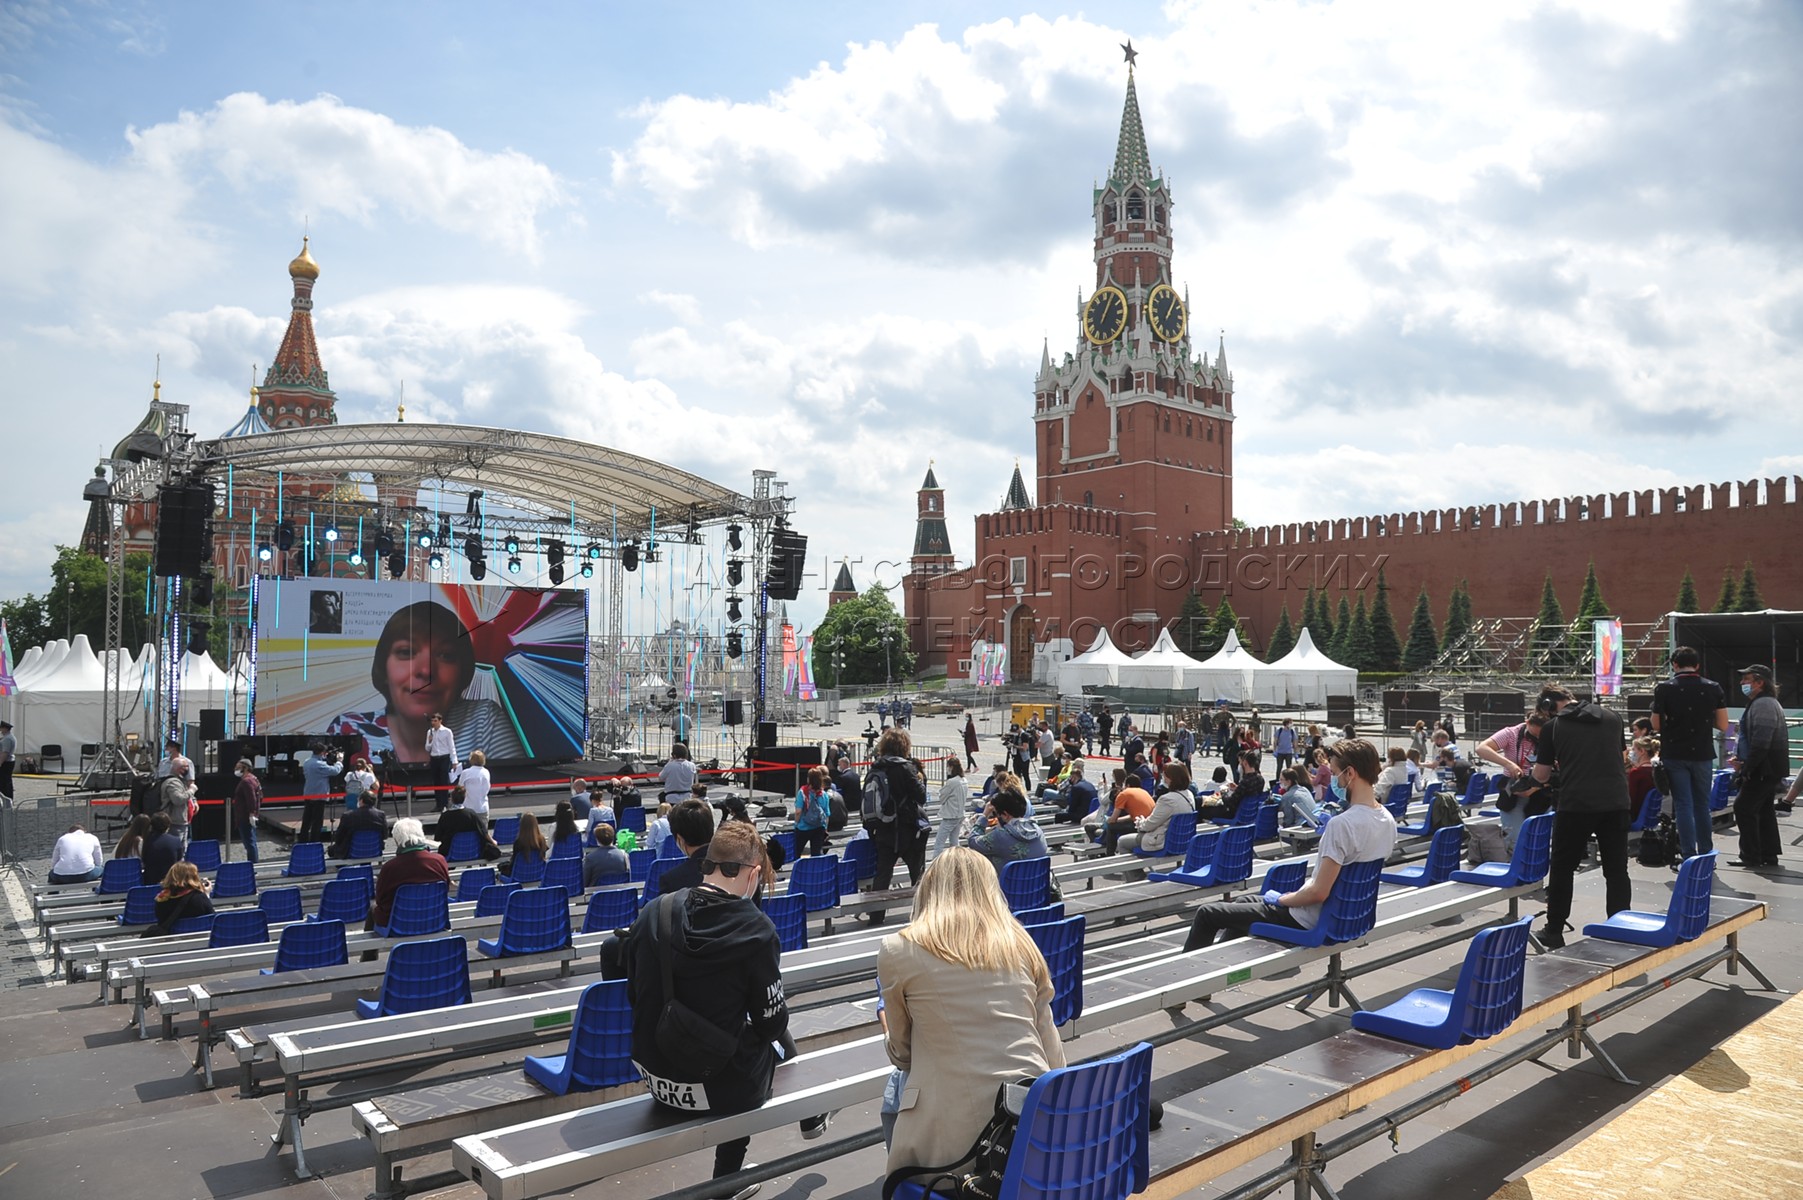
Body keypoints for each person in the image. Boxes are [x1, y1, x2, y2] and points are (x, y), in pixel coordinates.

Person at [624, 820, 821, 1198]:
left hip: (656, 1079)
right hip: (721, 1091)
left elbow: (635, 993)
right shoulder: (757, 930)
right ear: (754, 874)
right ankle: (726, 1180)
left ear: (707, 863)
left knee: (734, 1035)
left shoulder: (654, 911)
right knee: (755, 1041)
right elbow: (771, 1024)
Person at [878, 847, 1064, 1177]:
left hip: (958, 1154)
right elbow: (1053, 1057)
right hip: (1033, 1133)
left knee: (896, 1088)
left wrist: (888, 1028)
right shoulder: (1022, 944)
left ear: (929, 889)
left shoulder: (898, 949)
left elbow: (903, 1056)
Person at [1184, 739, 1397, 950]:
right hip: (1348, 916)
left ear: (1349, 773)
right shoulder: (1387, 819)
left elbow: (1318, 893)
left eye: (1334, 773)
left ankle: (1191, 970)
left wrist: (1283, 899)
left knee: (1207, 913)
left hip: (1308, 919)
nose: (1334, 780)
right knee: (1242, 904)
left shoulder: (1342, 825)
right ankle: (1227, 962)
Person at [327, 600, 524, 769]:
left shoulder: (483, 720)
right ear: (383, 667)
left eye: (445, 655)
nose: (426, 671)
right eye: (406, 652)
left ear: (462, 671)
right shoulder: (349, 728)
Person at [1531, 685, 1632, 948]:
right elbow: (1621, 756)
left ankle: (1554, 930)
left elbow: (1541, 775)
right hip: (1616, 801)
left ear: (1549, 705)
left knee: (1563, 868)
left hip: (1577, 804)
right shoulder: (1612, 717)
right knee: (1617, 869)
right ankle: (1621, 925)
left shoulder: (1553, 727)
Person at [1649, 646, 1728, 862]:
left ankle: (1688, 855)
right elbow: (1723, 724)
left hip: (1674, 753)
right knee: (1702, 805)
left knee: (1683, 805)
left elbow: (1656, 724)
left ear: (1674, 665)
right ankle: (1706, 854)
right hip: (1702, 753)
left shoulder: (1664, 688)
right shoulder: (1713, 688)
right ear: (1697, 665)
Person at [863, 729, 930, 923]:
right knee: (917, 873)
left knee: (883, 874)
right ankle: (922, 915)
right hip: (908, 829)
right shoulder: (905, 768)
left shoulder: (875, 768)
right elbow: (921, 797)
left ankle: (876, 917)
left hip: (884, 829)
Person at [1729, 664, 1789, 869]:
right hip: (1767, 768)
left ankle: (1751, 855)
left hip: (1764, 768)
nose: (1741, 683)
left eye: (1746, 680)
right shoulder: (1764, 703)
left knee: (1743, 807)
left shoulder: (1763, 705)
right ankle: (1768, 854)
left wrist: (1747, 768)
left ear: (1759, 682)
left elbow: (1762, 742)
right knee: (1763, 810)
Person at [1475, 712, 1548, 850]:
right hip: (1513, 793)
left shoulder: (1552, 735)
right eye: (1534, 734)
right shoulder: (1511, 733)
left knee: (1537, 841)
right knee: (1515, 839)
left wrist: (1534, 788)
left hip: (1540, 792)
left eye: (1541, 735)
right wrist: (1509, 764)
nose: (1538, 738)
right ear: (1527, 723)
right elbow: (1481, 749)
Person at [371, 818, 451, 930]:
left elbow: (380, 899)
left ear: (397, 841)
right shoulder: (439, 861)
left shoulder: (390, 867)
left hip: (399, 924)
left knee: (373, 908)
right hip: (434, 918)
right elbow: (446, 888)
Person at [1118, 763, 1196, 855]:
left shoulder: (1167, 799)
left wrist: (1140, 823)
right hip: (1183, 840)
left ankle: (1135, 865)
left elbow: (1149, 825)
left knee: (1122, 841)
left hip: (1162, 842)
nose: (1163, 778)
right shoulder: (1189, 795)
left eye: (1164, 775)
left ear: (1171, 778)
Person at [966, 785, 1048, 870]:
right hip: (1036, 877)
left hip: (1007, 878)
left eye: (997, 813)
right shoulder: (1038, 830)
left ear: (1005, 814)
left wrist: (984, 815)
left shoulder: (1000, 836)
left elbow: (972, 842)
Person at [140, 861, 213, 937]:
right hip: (199, 938)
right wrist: (206, 895)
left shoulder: (162, 899)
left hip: (172, 939)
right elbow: (211, 918)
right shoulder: (199, 898)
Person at [434, 790, 502, 861]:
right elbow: (483, 832)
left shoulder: (445, 816)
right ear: (464, 798)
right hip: (473, 851)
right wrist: (493, 842)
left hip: (450, 852)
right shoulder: (471, 814)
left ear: (451, 799)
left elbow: (438, 837)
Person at [330, 784, 391, 858]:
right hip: (374, 850)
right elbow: (385, 835)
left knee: (332, 849)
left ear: (361, 801)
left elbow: (339, 836)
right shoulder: (381, 815)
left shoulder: (348, 816)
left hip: (352, 851)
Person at [298, 744, 342, 842]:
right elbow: (335, 771)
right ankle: (314, 841)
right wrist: (339, 761)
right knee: (317, 822)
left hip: (308, 794)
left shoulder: (307, 762)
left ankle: (302, 841)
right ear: (322, 752)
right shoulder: (319, 765)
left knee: (307, 820)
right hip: (319, 795)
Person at [1098, 779, 1155, 854]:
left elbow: (1112, 820)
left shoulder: (1122, 795)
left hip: (1141, 825)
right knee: (1121, 825)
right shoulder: (1142, 791)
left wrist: (1108, 820)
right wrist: (1118, 820)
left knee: (1111, 827)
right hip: (1150, 823)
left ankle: (1109, 853)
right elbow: (1132, 816)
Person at [931, 759, 969, 855]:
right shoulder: (964, 780)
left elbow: (942, 797)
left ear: (951, 767)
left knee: (939, 843)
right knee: (954, 841)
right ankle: (958, 859)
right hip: (960, 814)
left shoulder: (952, 782)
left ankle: (937, 861)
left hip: (950, 815)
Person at [158, 756, 196, 848]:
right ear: (179, 769)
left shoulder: (180, 781)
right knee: (176, 849)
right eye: (186, 767)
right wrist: (192, 790)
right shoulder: (173, 783)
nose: (188, 769)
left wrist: (194, 801)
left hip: (182, 821)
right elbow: (178, 800)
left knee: (183, 850)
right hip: (175, 822)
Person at [231, 758, 264, 864]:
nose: (236, 769)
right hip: (248, 816)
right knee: (251, 842)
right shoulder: (254, 779)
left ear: (245, 768)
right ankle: (253, 864)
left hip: (245, 817)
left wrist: (251, 813)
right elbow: (260, 796)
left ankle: (253, 865)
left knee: (249, 843)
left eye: (238, 767)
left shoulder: (246, 781)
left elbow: (251, 798)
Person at [794, 767, 831, 857]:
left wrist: (796, 823)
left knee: (796, 851)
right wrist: (825, 828)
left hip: (803, 827)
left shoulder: (802, 792)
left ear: (809, 779)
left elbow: (798, 811)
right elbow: (827, 814)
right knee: (816, 854)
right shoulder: (824, 794)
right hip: (819, 827)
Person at [139, 814, 183, 885]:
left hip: (150, 882)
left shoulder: (146, 841)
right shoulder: (176, 840)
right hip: (171, 882)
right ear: (168, 826)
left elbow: (144, 859)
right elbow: (179, 860)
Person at [583, 824, 632, 888]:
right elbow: (628, 879)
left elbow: (584, 883)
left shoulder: (590, 858)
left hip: (597, 893)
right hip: (619, 892)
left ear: (597, 840)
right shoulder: (624, 855)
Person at [503, 812, 551, 877]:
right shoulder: (542, 841)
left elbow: (514, 863)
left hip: (520, 874)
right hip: (537, 873)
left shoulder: (518, 842)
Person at [425, 713, 458, 803]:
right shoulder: (430, 732)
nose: (433, 723)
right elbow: (427, 748)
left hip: (444, 758)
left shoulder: (447, 731)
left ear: (440, 721)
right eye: (432, 721)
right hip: (434, 758)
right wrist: (430, 741)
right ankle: (438, 803)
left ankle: (445, 803)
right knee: (436, 781)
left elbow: (451, 747)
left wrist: (454, 761)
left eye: (435, 721)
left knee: (444, 780)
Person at [456, 750, 493, 826]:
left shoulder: (465, 773)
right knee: (483, 831)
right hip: (483, 808)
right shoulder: (486, 772)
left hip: (468, 809)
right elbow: (487, 789)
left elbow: (459, 788)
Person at [1060, 759, 1098, 826]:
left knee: (1058, 816)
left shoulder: (1076, 787)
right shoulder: (1089, 784)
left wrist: (1068, 813)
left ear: (1074, 777)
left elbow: (1072, 806)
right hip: (1090, 812)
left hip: (1080, 816)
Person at [660, 743, 698, 807]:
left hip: (672, 798)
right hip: (687, 796)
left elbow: (661, 778)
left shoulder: (669, 766)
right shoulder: (692, 765)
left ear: (673, 755)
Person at [0, 719, 14, 809]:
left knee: (4, 783)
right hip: (8, 761)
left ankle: (6, 802)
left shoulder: (7, 739)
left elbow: (5, 752)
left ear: (5, 728)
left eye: (1, 728)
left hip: (6, 762)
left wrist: (0, 762)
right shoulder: (8, 737)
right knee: (6, 782)